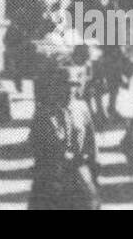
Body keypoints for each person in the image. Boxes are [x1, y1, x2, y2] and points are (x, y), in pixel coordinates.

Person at [29, 50, 101, 210]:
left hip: (78, 168)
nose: (70, 91)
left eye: (73, 86)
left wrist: (94, 168)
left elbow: (91, 140)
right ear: (56, 87)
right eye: (66, 86)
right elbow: (34, 143)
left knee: (90, 203)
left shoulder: (81, 108)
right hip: (51, 173)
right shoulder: (44, 112)